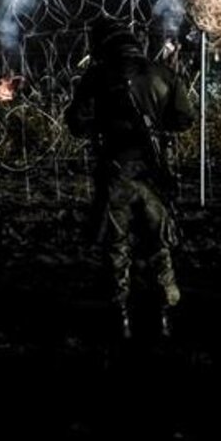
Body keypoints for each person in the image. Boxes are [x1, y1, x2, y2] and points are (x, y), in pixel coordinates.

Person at [66, 17, 195, 341]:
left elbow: (77, 124)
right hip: (154, 172)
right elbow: (183, 119)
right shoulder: (162, 73)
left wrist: (105, 124)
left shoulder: (97, 77)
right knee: (158, 243)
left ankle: (119, 316)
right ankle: (164, 314)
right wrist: (155, 128)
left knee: (116, 245)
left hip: (115, 171)